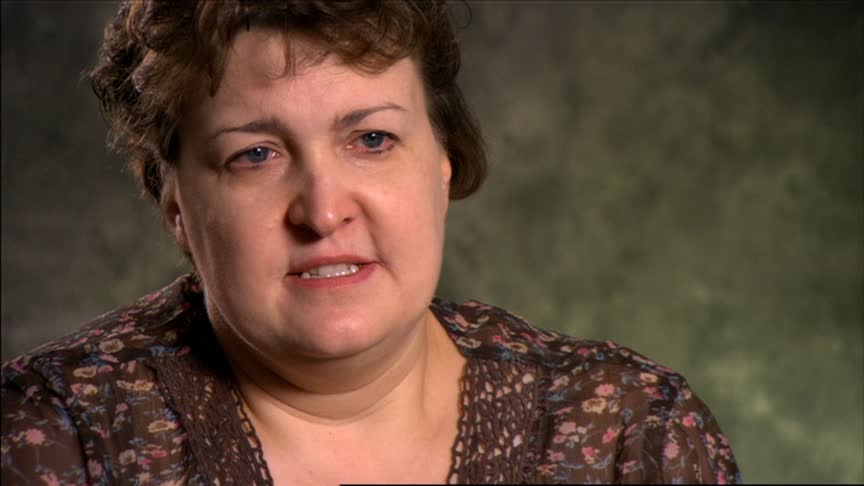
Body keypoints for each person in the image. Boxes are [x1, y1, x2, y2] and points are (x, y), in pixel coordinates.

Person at [1, 1, 741, 484]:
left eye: (373, 139)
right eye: (255, 154)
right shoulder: (55, 439)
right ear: (175, 204)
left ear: (443, 163)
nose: (324, 212)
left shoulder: (630, 436)